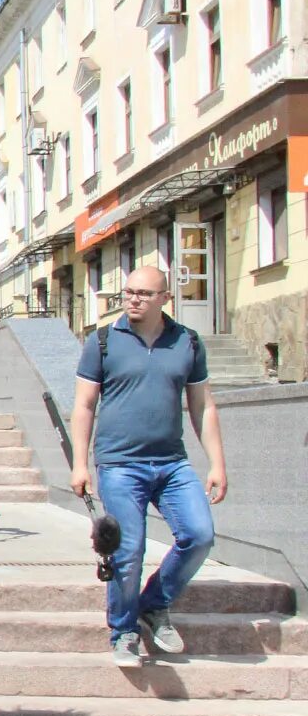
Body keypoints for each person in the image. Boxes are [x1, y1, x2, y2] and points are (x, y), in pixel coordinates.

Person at [69, 265, 226, 666]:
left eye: (143, 293)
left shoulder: (187, 342)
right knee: (128, 547)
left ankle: (153, 604)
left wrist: (217, 464)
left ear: (164, 299)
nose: (133, 299)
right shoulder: (103, 341)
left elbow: (203, 405)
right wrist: (80, 464)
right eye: (128, 292)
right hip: (120, 464)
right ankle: (123, 631)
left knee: (199, 534)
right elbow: (84, 406)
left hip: (172, 463)